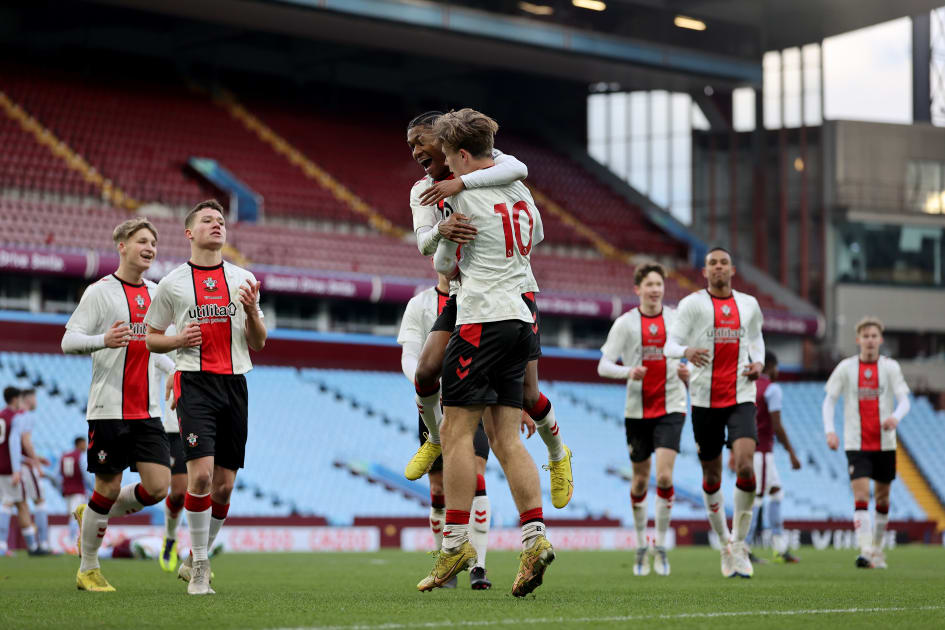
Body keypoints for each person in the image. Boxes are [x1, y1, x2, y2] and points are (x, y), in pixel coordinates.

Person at [405, 112, 573, 509]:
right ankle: (433, 437)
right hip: (466, 293)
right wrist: (440, 234)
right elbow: (424, 246)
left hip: (514, 293)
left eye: (420, 141)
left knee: (529, 396)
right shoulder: (422, 190)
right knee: (426, 370)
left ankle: (558, 454)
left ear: (446, 144)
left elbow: (519, 167)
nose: (415, 150)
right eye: (410, 144)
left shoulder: (495, 168)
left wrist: (462, 182)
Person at [417, 108, 553, 597]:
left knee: (455, 432)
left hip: (481, 318)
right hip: (521, 318)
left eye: (451, 160)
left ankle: (454, 541)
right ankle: (535, 538)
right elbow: (535, 236)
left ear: (462, 155)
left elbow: (444, 263)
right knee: (506, 437)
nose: (448, 169)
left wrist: (449, 239)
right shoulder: (520, 192)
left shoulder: (460, 198)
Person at [145, 199, 266, 595]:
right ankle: (200, 567)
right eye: (207, 220)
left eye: (220, 220)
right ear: (189, 233)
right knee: (199, 476)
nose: (217, 225)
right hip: (194, 383)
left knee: (225, 487)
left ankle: (195, 554)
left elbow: (258, 343)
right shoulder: (172, 283)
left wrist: (251, 313)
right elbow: (150, 337)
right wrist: (178, 339)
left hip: (235, 384)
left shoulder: (243, 278)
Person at [62, 218, 175, 591]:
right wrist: (102, 340)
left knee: (159, 487)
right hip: (110, 409)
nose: (150, 248)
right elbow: (68, 341)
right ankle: (88, 569)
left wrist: (175, 372)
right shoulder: (100, 292)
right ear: (122, 245)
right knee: (108, 487)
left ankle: (91, 512)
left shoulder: (158, 295)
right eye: (142, 241)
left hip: (148, 411)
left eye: (154, 244)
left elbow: (156, 348)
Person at [664, 247, 765, 579]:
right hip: (705, 400)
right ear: (704, 272)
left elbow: (756, 338)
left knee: (747, 466)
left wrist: (759, 362)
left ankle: (739, 544)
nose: (718, 267)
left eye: (723, 263)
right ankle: (724, 543)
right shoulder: (693, 304)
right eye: (712, 264)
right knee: (711, 477)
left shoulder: (749, 305)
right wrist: (687, 351)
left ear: (732, 269)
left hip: (741, 395)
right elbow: (669, 345)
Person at [397, 272, 498, 590]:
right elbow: (409, 356)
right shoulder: (420, 304)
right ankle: (448, 562)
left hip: (473, 403)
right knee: (439, 488)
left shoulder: (482, 299)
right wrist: (426, 384)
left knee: (476, 475)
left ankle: (478, 567)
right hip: (433, 408)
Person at [598, 262, 689, 577]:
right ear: (638, 289)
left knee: (664, 478)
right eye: (649, 284)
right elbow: (603, 365)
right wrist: (628, 371)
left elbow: (695, 354)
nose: (655, 289)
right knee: (639, 480)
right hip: (637, 411)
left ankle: (660, 546)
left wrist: (690, 369)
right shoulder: (625, 324)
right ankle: (640, 545)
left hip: (672, 407)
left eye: (659, 284)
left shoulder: (677, 320)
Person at [823, 316, 910, 570]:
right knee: (860, 496)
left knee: (882, 499)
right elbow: (829, 400)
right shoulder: (846, 368)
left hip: (885, 443)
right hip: (855, 442)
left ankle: (877, 548)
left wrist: (895, 416)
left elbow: (905, 399)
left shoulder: (890, 367)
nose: (870, 340)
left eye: (874, 336)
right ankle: (865, 551)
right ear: (858, 339)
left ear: (880, 340)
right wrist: (830, 431)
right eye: (866, 336)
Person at [746, 352, 801, 564]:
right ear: (771, 366)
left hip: (754, 450)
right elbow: (777, 426)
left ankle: (779, 548)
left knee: (776, 492)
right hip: (762, 453)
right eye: (777, 367)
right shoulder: (772, 389)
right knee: (756, 499)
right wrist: (792, 453)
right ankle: (744, 548)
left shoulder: (749, 386)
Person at [156, 323, 186, 573]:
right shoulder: (163, 330)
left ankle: (198, 557)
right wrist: (175, 370)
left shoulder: (203, 319)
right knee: (178, 492)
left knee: (203, 488)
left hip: (203, 419)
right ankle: (170, 537)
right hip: (172, 424)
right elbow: (151, 353)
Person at [0, 386, 39, 556]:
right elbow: (14, 443)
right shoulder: (16, 417)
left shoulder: (1, 416)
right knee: (8, 502)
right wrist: (16, 469)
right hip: (9, 467)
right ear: (16, 399)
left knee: (21, 503)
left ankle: (33, 547)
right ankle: (2, 546)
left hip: (3, 465)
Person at [16, 388, 52, 553]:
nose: (37, 401)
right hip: (24, 466)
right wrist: (36, 463)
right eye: (35, 398)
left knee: (19, 504)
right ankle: (43, 544)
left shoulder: (10, 415)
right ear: (29, 398)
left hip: (13, 464)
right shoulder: (26, 415)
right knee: (39, 500)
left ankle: (28, 545)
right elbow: (26, 442)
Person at [58, 436, 92, 554]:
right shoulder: (81, 457)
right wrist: (93, 488)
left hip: (67, 491)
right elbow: (86, 475)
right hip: (79, 491)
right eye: (84, 443)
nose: (86, 446)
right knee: (76, 517)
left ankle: (73, 543)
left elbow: (58, 475)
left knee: (72, 516)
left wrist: (62, 488)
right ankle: (72, 543)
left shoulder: (64, 456)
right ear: (79, 444)